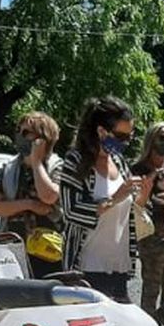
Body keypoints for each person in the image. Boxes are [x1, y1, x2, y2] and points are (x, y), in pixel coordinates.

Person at [56, 96, 139, 302]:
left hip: (118, 266)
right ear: (101, 131)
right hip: (87, 268)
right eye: (121, 136)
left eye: (130, 136)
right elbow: (71, 211)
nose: (126, 142)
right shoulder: (76, 161)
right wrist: (114, 198)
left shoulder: (119, 162)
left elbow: (128, 208)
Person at [0, 111, 61, 277]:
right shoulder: (9, 168)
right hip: (12, 248)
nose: (20, 136)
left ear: (43, 138)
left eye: (26, 132)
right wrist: (29, 205)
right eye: (19, 131)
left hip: (48, 249)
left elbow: (49, 196)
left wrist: (36, 162)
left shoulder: (57, 166)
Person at [133, 122, 164, 314]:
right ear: (151, 141)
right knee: (151, 289)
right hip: (151, 237)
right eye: (161, 138)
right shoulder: (139, 169)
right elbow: (137, 204)